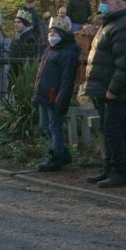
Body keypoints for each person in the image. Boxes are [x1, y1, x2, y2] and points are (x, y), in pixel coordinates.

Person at [83, 0, 126, 188]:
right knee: (107, 129)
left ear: (118, 4)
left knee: (113, 130)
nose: (102, 6)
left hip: (114, 90)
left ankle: (119, 171)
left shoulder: (125, 26)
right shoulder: (110, 24)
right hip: (104, 87)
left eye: (106, 3)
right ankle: (109, 167)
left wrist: (113, 89)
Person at [33, 16, 80, 172]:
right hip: (44, 94)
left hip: (55, 96)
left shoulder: (68, 54)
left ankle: (56, 156)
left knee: (55, 126)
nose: (51, 36)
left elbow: (67, 80)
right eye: (50, 32)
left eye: (54, 33)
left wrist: (61, 98)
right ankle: (62, 151)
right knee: (45, 126)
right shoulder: (49, 50)